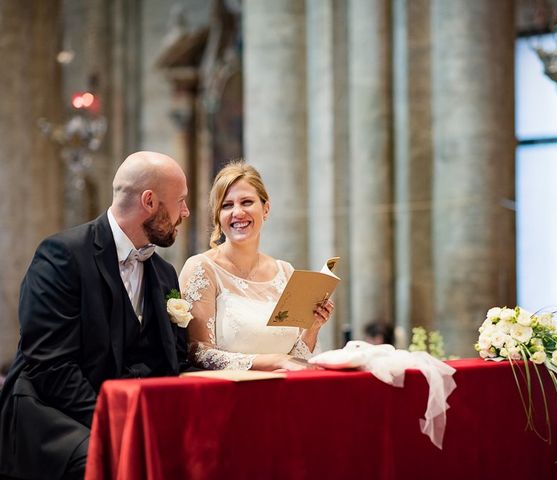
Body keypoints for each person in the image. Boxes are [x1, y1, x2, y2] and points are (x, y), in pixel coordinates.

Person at [0, 151, 191, 480]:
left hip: (129, 414)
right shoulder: (62, 255)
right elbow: (50, 366)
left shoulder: (165, 274)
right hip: (53, 414)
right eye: (181, 201)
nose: (185, 212)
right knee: (110, 462)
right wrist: (115, 425)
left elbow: (176, 358)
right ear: (149, 201)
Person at [179, 161, 333, 371]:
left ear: (266, 208)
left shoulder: (285, 272)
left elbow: (296, 359)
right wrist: (275, 361)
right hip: (232, 395)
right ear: (218, 215)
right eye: (227, 205)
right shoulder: (202, 268)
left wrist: (313, 327)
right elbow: (198, 352)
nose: (237, 212)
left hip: (285, 394)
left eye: (247, 202)